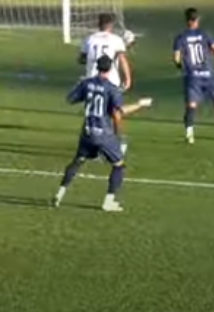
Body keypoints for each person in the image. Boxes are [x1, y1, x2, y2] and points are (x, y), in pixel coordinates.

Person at [53, 55, 152, 211]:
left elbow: (70, 99)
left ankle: (60, 193)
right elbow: (118, 113)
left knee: (78, 161)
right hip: (103, 133)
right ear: (111, 68)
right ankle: (109, 201)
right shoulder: (112, 88)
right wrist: (139, 105)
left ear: (97, 67)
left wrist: (78, 85)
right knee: (119, 165)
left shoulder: (86, 83)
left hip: (87, 131)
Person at [173, 7, 214, 144]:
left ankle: (189, 134)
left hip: (193, 76)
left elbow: (176, 57)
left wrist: (179, 66)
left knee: (191, 104)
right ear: (197, 19)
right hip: (209, 74)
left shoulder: (181, 37)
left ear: (186, 20)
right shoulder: (205, 34)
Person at [79, 13, 133, 91]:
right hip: (111, 81)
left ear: (99, 25)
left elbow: (82, 60)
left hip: (92, 82)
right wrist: (128, 80)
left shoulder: (89, 39)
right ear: (111, 25)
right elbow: (123, 60)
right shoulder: (116, 40)